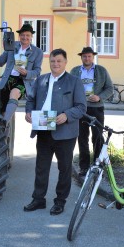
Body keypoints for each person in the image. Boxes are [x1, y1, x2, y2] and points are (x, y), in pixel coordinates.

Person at [24, 49, 86, 215]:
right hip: (43, 129)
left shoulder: (74, 82)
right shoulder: (41, 80)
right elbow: (30, 99)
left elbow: (81, 107)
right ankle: (38, 199)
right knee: (41, 167)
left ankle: (60, 201)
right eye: (53, 61)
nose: (56, 64)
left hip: (65, 133)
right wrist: (28, 112)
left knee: (64, 168)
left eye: (59, 61)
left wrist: (67, 115)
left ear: (65, 62)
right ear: (49, 62)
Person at [70, 47, 114, 177]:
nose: (87, 59)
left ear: (93, 57)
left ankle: (97, 165)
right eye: (84, 56)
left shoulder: (101, 70)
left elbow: (110, 88)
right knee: (82, 138)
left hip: (97, 108)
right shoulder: (75, 71)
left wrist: (99, 97)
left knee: (98, 137)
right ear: (81, 57)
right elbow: (69, 87)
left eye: (89, 56)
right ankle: (84, 167)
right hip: (81, 108)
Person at [0, 24, 43, 125]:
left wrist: (27, 73)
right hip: (8, 79)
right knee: (3, 106)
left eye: (27, 35)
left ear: (31, 36)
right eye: (23, 35)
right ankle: (3, 126)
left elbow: (37, 71)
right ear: (19, 36)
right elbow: (0, 61)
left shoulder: (37, 52)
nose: (25, 37)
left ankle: (4, 122)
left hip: (23, 80)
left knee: (14, 94)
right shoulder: (12, 46)